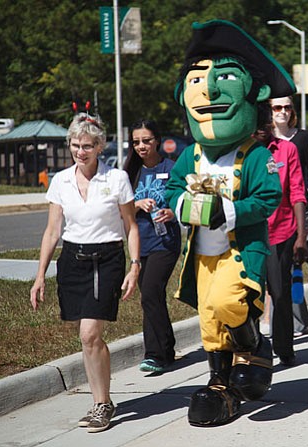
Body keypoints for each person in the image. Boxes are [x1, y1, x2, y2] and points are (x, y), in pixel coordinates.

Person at [165, 20, 291, 426]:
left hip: (242, 250)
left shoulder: (256, 154)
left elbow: (270, 198)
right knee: (208, 321)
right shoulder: (192, 155)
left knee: (228, 303)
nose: (209, 89)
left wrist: (229, 211)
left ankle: (255, 345)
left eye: (223, 78)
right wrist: (184, 204)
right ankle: (219, 382)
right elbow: (170, 189)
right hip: (202, 254)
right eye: (198, 79)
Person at [30, 113, 140, 433]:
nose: (81, 151)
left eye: (88, 146)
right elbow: (52, 231)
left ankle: (101, 404)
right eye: (76, 145)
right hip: (72, 261)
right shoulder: (61, 181)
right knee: (89, 338)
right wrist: (40, 276)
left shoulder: (116, 179)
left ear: (100, 146)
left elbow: (131, 227)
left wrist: (134, 266)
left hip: (106, 260)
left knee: (90, 334)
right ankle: (101, 399)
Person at [123, 119, 181, 373]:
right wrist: (136, 204)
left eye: (146, 140)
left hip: (165, 242)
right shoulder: (129, 173)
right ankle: (166, 347)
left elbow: (185, 199)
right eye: (136, 142)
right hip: (139, 242)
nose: (141, 146)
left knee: (149, 291)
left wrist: (171, 212)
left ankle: (155, 354)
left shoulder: (173, 168)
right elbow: (118, 207)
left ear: (157, 140)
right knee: (152, 296)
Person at [270, 95, 308, 336]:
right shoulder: (262, 141)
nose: (282, 111)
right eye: (277, 107)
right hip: (269, 214)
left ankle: (297, 321)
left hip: (299, 208)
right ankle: (276, 320)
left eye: (287, 107)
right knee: (273, 273)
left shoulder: (302, 138)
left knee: (292, 267)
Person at [254, 119, 307, 367]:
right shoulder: (244, 153)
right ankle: (251, 348)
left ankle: (284, 347)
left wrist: (300, 236)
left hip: (282, 231)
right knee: (248, 294)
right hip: (249, 233)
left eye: (265, 120)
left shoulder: (287, 150)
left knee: (279, 291)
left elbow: (297, 191)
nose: (262, 126)